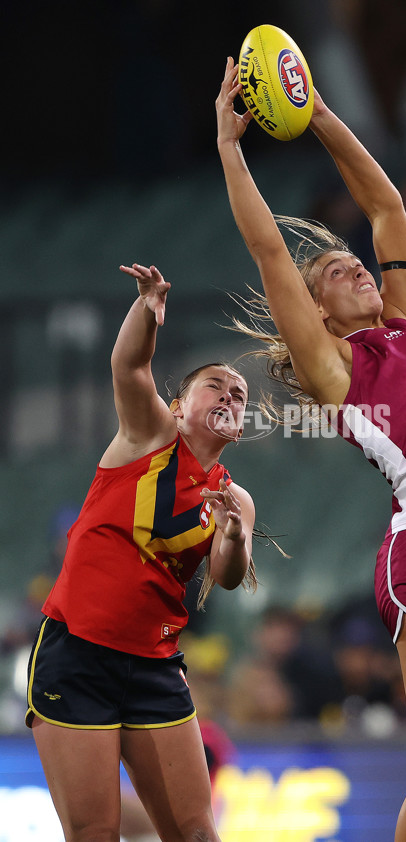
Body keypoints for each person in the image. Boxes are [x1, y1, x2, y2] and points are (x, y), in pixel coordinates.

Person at [216, 57, 406, 842]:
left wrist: (315, 115)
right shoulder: (338, 367)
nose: (352, 264)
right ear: (316, 313)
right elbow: (272, 250)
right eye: (333, 273)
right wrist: (232, 150)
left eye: (353, 260)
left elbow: (384, 202)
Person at [26, 262, 257, 842]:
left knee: (199, 834)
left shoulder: (235, 498)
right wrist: (149, 307)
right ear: (178, 406)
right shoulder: (150, 435)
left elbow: (228, 578)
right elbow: (129, 364)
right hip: (78, 654)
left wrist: (232, 537)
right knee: (95, 833)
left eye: (240, 394)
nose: (230, 395)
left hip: (155, 667)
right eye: (215, 385)